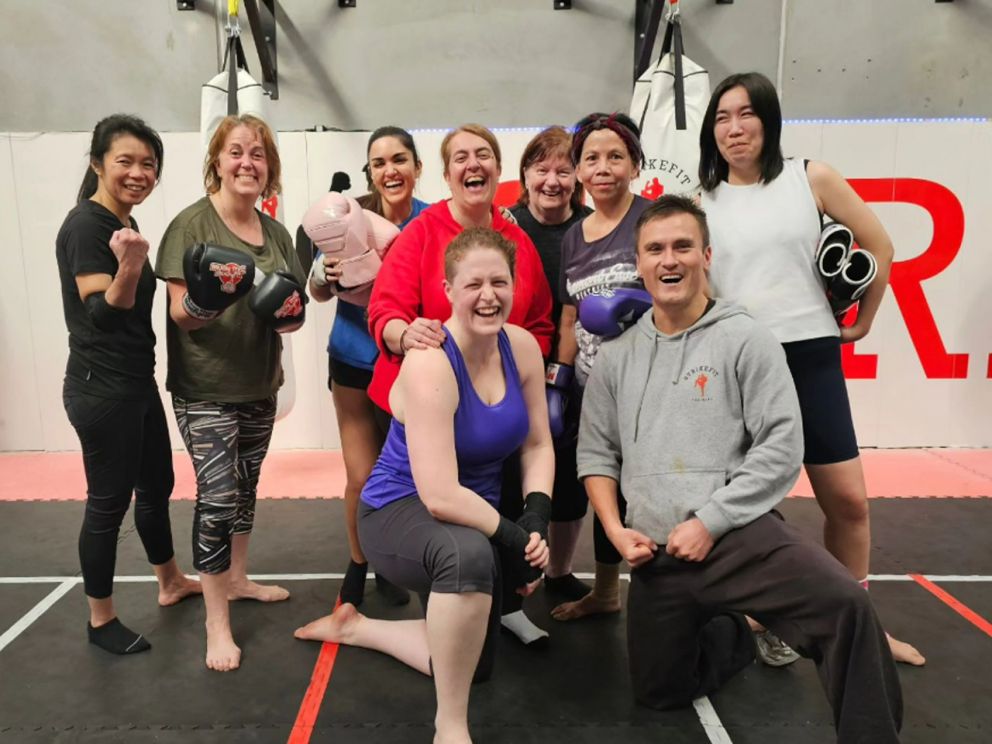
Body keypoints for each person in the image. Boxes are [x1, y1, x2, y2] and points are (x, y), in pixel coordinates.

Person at [579, 194, 903, 743]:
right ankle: (733, 632)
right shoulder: (616, 357)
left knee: (846, 605)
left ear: (707, 255)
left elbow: (781, 444)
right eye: (655, 249)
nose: (669, 260)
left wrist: (712, 520)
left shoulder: (745, 337)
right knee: (659, 694)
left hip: (735, 534)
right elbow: (595, 455)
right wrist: (614, 530)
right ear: (639, 263)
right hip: (657, 553)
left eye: (683, 246)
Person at [698, 71, 923, 666]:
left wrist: (864, 321)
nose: (734, 127)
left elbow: (881, 247)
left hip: (810, 357)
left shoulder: (809, 177)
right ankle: (772, 617)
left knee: (848, 503)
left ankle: (860, 627)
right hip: (741, 362)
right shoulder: (705, 200)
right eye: (722, 117)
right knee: (750, 509)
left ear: (768, 120)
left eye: (746, 114)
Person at [296, 228, 554, 744]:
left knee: (471, 662)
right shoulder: (431, 361)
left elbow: (537, 446)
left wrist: (536, 519)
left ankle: (356, 628)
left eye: (499, 282)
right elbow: (437, 494)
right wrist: (512, 540)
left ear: (514, 284)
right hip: (400, 508)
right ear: (448, 290)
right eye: (473, 284)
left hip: (469, 514)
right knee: (471, 558)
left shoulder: (521, 347)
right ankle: (451, 725)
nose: (488, 296)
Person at [365, 123, 555, 646]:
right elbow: (385, 311)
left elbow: (536, 322)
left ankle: (496, 598)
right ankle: (440, 607)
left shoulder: (517, 241)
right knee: (457, 542)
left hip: (491, 403)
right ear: (446, 173)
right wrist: (409, 336)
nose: (473, 165)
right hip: (431, 394)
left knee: (500, 509)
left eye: (484, 155)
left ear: (498, 169)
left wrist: (516, 371)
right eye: (461, 157)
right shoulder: (422, 233)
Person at [154, 113, 308, 672]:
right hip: (205, 389)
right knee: (217, 500)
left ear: (270, 169)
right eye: (237, 151)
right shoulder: (191, 226)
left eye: (259, 154)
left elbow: (291, 320)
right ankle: (216, 624)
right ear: (216, 161)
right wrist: (211, 296)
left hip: (260, 384)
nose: (248, 162)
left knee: (245, 489)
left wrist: (287, 314)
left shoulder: (277, 235)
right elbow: (180, 315)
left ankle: (237, 579)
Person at [56, 114, 201, 656]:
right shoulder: (86, 227)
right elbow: (101, 315)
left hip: (136, 385)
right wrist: (133, 266)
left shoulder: (117, 225)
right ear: (98, 163)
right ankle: (100, 620)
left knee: (157, 485)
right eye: (126, 161)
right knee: (107, 503)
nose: (139, 172)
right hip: (102, 390)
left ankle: (168, 582)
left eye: (148, 164)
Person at [304, 126, 429, 607]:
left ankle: (399, 559)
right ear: (370, 172)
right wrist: (323, 271)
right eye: (379, 163)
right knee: (361, 474)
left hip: (409, 364)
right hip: (355, 361)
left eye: (399, 159)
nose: (389, 170)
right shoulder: (346, 213)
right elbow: (316, 290)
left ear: (417, 166)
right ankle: (359, 563)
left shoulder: (432, 220)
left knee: (416, 476)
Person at [551, 112, 651, 622]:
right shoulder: (573, 236)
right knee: (602, 486)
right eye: (592, 157)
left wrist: (638, 302)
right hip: (593, 387)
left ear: (634, 163)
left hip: (651, 387)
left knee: (651, 493)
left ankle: (669, 599)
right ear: (579, 172)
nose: (604, 166)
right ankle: (608, 592)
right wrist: (559, 382)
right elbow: (570, 317)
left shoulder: (654, 217)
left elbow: (692, 290)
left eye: (615, 156)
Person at [509, 126, 593, 602]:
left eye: (564, 170)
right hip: (509, 370)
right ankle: (515, 570)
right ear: (525, 174)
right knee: (509, 472)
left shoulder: (590, 227)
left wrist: (560, 376)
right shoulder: (507, 225)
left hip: (573, 370)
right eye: (542, 169)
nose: (552, 180)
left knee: (569, 476)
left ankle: (558, 572)